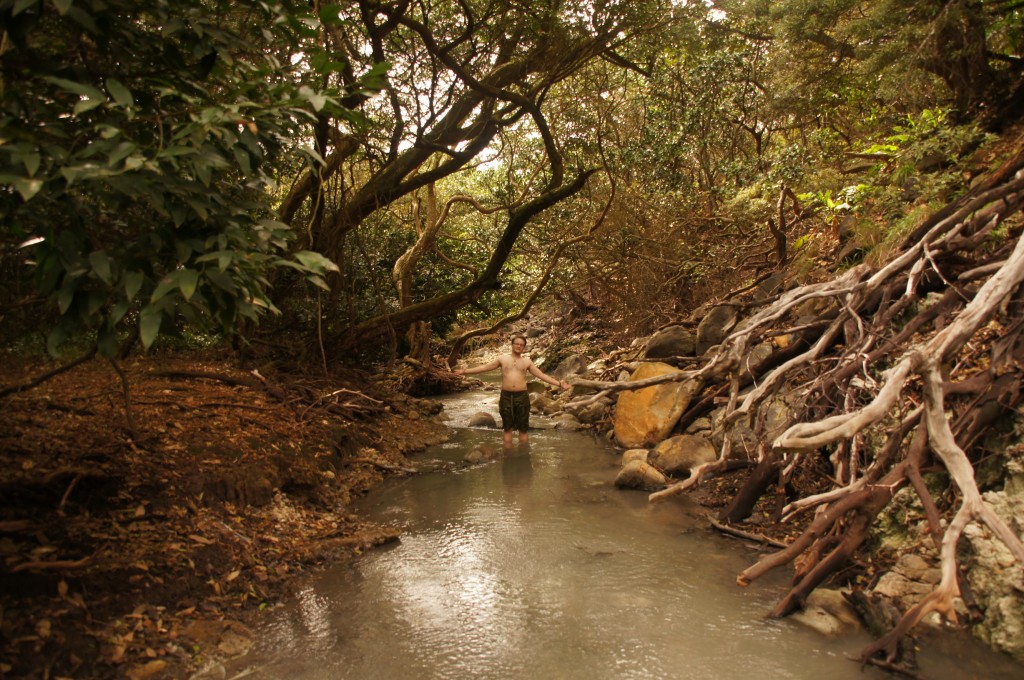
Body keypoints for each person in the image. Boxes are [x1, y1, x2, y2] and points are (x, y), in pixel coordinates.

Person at [454, 334, 570, 446]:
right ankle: (508, 455)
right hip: (506, 396)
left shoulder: (526, 362)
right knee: (507, 428)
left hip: (522, 396)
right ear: (512, 344)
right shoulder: (502, 359)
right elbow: (484, 368)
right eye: (517, 344)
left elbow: (542, 375)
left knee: (523, 429)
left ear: (524, 347)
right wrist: (465, 371)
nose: (519, 346)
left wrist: (559, 384)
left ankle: (523, 456)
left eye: (521, 345)